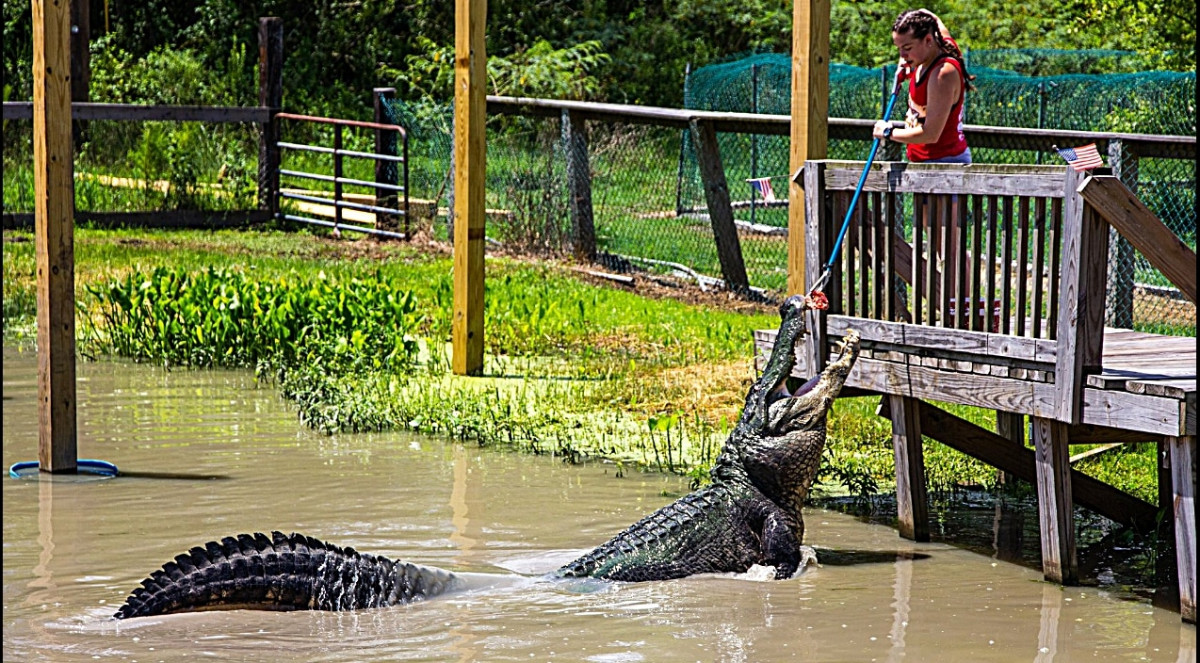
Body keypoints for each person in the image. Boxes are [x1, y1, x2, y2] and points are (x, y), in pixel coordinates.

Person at [872, 9, 974, 164]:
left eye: (907, 48)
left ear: (928, 40)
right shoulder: (935, 47)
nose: (902, 56)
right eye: (899, 48)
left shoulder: (942, 74)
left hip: (943, 164)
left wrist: (887, 132)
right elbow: (931, 17)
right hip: (924, 161)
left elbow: (931, 134)